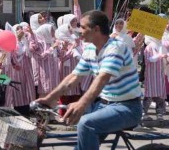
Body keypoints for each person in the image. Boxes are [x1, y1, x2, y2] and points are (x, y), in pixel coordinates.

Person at [36, 11, 142, 150]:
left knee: (86, 123)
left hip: (127, 108)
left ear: (96, 29)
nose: (79, 31)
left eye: (83, 27)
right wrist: (49, 98)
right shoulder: (91, 48)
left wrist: (81, 103)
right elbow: (74, 77)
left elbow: (102, 78)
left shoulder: (115, 48)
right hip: (103, 105)